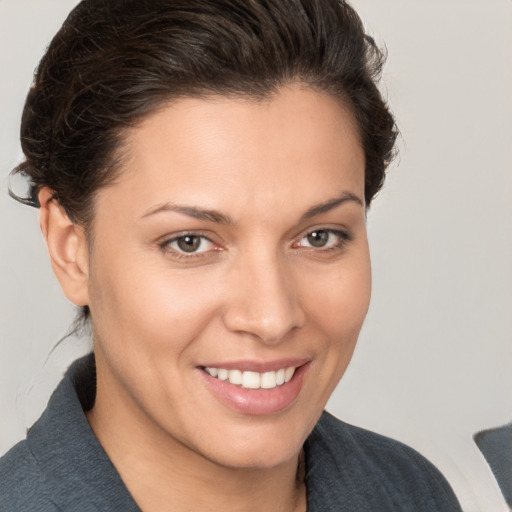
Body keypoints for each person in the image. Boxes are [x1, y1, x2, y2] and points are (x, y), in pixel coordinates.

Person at [0, 0, 463, 510]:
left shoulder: (411, 492)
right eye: (190, 242)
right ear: (72, 251)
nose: (271, 318)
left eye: (319, 236)